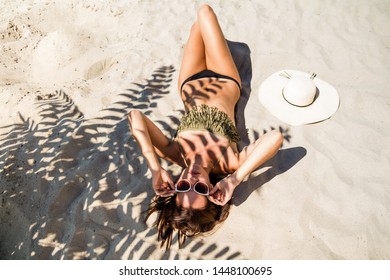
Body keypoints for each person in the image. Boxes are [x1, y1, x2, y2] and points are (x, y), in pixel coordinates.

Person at [128, 4, 283, 249]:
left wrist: (155, 169)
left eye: (182, 186)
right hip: (225, 78)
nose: (190, 179)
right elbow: (274, 138)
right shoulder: (229, 162)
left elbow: (135, 116)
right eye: (198, 188)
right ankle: (220, 47)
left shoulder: (174, 153)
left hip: (189, 81)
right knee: (205, 12)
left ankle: (217, 44)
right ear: (211, 190)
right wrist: (235, 179)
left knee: (198, 26)